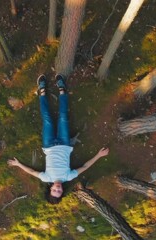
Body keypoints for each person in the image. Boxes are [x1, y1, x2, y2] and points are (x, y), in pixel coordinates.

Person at [8, 74, 109, 204]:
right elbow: (85, 166)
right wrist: (99, 155)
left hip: (49, 145)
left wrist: (18, 164)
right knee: (63, 117)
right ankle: (62, 90)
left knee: (47, 119)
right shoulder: (68, 176)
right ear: (62, 191)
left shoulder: (46, 178)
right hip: (64, 143)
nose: (57, 189)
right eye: (59, 192)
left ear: (50, 188)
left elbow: (31, 171)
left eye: (54, 191)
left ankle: (42, 92)